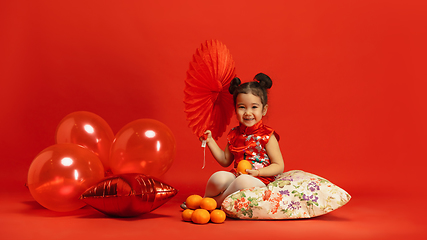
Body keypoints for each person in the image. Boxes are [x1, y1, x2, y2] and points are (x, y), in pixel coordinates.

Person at [192, 73, 285, 208]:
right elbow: (225, 161)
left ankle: (213, 204)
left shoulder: (267, 136)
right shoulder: (234, 134)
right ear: (235, 109)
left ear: (264, 110)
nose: (247, 112)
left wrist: (258, 172)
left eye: (254, 107)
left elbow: (279, 166)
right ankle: (206, 198)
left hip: (260, 179)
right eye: (242, 107)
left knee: (243, 182)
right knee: (218, 177)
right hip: (237, 176)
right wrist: (210, 141)